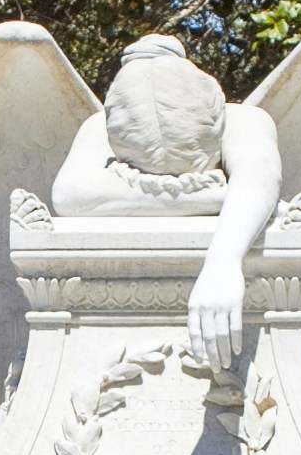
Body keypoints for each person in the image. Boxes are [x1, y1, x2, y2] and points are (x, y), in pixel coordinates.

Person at [46, 32, 286, 354]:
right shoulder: (97, 126)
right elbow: (69, 196)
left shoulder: (243, 119)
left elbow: (260, 179)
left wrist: (223, 264)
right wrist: (217, 197)